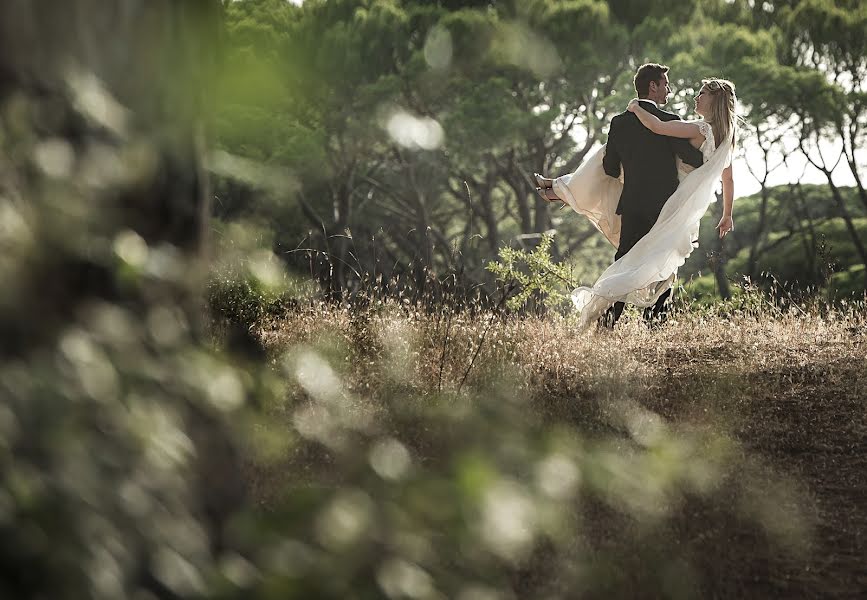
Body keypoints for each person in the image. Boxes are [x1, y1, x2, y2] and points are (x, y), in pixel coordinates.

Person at [534, 65, 738, 329]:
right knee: (664, 262)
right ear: (654, 86)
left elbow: (619, 159)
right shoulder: (721, 137)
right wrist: (727, 214)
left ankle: (606, 323)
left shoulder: (625, 122)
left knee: (625, 260)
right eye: (666, 83)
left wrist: (635, 109)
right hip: (674, 204)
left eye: (701, 93)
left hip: (634, 203)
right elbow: (715, 171)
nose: (692, 95)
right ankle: (655, 323)